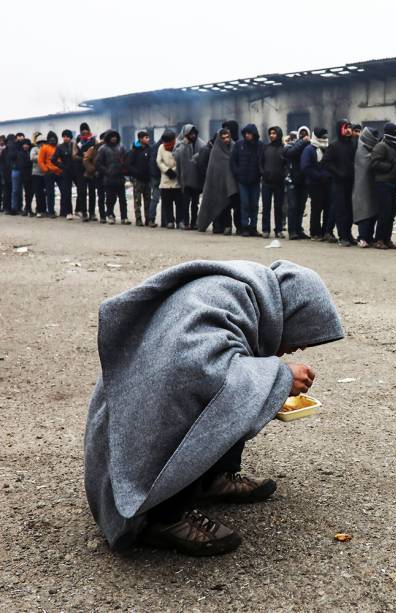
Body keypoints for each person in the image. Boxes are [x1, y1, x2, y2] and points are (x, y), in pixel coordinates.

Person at [83, 259, 345, 556]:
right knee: (234, 391)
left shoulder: (244, 297)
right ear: (291, 312)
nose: (300, 347)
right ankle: (163, 518)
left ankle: (212, 479)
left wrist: (267, 378)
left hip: (142, 405)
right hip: (138, 433)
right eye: (302, 336)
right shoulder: (226, 300)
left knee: (248, 384)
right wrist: (280, 376)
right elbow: (198, 373)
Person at [369, 123, 396, 250]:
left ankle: (387, 239)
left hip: (394, 183)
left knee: (391, 214)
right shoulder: (381, 146)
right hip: (383, 184)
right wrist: (390, 167)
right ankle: (379, 239)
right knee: (384, 213)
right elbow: (374, 164)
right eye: (394, 132)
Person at [197, 129, 239, 234]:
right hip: (218, 185)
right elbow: (212, 170)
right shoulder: (215, 152)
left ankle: (239, 227)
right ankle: (225, 226)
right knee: (222, 206)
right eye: (223, 138)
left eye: (227, 137)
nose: (226, 140)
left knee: (236, 207)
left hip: (234, 185)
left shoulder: (235, 148)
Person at [325, 121, 359, 246]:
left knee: (350, 210)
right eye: (346, 127)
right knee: (341, 210)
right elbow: (326, 163)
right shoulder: (334, 145)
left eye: (350, 127)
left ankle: (348, 234)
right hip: (338, 183)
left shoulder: (353, 145)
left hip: (351, 182)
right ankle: (342, 236)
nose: (349, 130)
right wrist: (339, 173)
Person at [230, 124, 263, 237]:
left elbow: (263, 161)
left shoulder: (260, 145)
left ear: (254, 134)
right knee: (244, 204)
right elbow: (233, 161)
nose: (247, 135)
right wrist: (238, 173)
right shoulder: (239, 145)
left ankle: (253, 227)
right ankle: (244, 227)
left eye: (249, 133)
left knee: (254, 204)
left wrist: (261, 172)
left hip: (255, 180)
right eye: (245, 133)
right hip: (242, 181)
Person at [352, 127, 382, 247]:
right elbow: (366, 165)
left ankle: (369, 236)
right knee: (364, 212)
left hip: (372, 186)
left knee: (372, 212)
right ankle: (362, 237)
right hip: (361, 186)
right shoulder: (360, 149)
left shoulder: (372, 149)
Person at [302, 127, 332, 241]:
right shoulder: (309, 149)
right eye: (323, 137)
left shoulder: (327, 149)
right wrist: (320, 175)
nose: (325, 138)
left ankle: (326, 231)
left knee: (327, 208)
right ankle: (315, 232)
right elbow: (306, 167)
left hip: (327, 184)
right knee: (316, 208)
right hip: (314, 184)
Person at [174, 124, 206, 230]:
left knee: (195, 203)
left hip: (196, 179)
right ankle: (185, 222)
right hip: (185, 178)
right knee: (185, 202)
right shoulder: (180, 143)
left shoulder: (201, 144)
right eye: (190, 134)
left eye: (194, 133)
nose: (192, 136)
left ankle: (194, 222)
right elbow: (176, 156)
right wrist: (184, 144)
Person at [95, 130, 130, 225]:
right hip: (108, 178)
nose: (114, 138)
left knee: (123, 199)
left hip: (120, 177)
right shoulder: (103, 149)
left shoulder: (121, 147)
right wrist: (106, 171)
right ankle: (110, 215)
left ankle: (124, 217)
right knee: (110, 198)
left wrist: (125, 168)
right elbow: (97, 163)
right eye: (112, 136)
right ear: (108, 138)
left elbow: (127, 158)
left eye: (115, 136)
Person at [284, 126, 312, 241]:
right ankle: (292, 231)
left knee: (301, 207)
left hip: (304, 181)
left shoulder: (310, 146)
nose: (304, 136)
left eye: (306, 134)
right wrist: (302, 143)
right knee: (293, 206)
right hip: (292, 180)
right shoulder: (292, 145)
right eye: (302, 133)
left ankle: (298, 229)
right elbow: (290, 153)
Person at [259, 126, 286, 239]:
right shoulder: (265, 148)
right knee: (266, 207)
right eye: (270, 133)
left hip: (279, 183)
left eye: (274, 133)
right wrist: (263, 173)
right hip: (266, 182)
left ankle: (279, 229)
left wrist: (283, 175)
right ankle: (265, 229)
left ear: (278, 134)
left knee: (279, 207)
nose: (271, 135)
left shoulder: (284, 149)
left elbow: (286, 165)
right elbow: (260, 163)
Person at [156, 130, 183, 229]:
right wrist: (167, 171)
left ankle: (180, 221)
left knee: (179, 203)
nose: (167, 143)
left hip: (177, 180)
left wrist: (174, 171)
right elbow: (159, 161)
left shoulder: (179, 147)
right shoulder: (161, 147)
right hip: (165, 180)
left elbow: (181, 160)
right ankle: (170, 221)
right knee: (167, 203)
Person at [128, 131, 153, 226]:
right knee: (137, 201)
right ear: (141, 139)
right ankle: (138, 219)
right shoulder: (134, 150)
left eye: (148, 137)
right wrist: (136, 173)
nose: (148, 139)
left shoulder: (149, 149)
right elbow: (129, 165)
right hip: (138, 180)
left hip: (147, 179)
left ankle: (148, 219)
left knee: (148, 201)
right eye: (146, 137)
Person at [51, 130, 76, 218]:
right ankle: (68, 212)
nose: (65, 138)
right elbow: (53, 159)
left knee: (81, 191)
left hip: (76, 171)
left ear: (70, 137)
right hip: (66, 172)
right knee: (67, 192)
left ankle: (79, 210)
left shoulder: (75, 145)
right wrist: (61, 166)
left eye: (67, 136)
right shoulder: (60, 147)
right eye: (64, 136)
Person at [75, 123, 96, 222]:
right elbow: (74, 155)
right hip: (80, 169)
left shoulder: (94, 140)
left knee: (92, 191)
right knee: (82, 192)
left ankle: (92, 213)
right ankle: (84, 212)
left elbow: (98, 152)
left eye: (86, 130)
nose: (84, 132)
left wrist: (90, 156)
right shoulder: (78, 142)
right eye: (83, 131)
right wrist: (83, 157)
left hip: (91, 168)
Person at [38, 131, 61, 218]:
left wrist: (61, 169)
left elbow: (61, 159)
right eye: (50, 139)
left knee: (64, 191)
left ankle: (64, 211)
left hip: (59, 172)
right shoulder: (44, 148)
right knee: (50, 193)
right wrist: (46, 170)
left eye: (54, 139)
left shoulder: (59, 148)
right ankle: (51, 211)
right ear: (48, 140)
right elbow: (40, 161)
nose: (52, 140)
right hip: (49, 173)